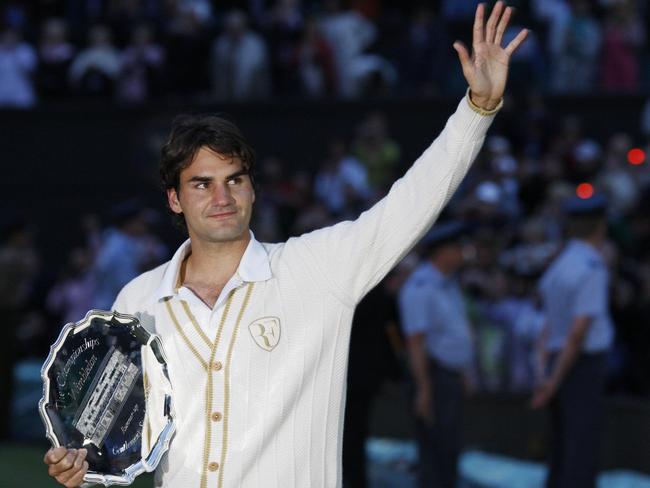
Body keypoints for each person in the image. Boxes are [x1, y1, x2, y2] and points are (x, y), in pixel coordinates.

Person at [44, 3, 528, 487]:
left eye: (235, 180)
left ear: (252, 187)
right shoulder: (138, 300)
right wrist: (81, 470)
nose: (222, 197)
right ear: (174, 199)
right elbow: (120, 439)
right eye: (201, 184)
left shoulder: (315, 268)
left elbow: (409, 204)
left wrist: (476, 110)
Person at [532, 194, 614, 488]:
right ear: (600, 227)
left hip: (557, 361)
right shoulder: (591, 266)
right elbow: (578, 333)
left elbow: (546, 326)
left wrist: (544, 372)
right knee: (580, 449)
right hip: (578, 366)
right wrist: (554, 380)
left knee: (563, 447)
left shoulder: (560, 264)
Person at [398, 221, 474, 488]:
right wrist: (424, 389)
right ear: (442, 252)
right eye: (456, 247)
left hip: (448, 374)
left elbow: (455, 333)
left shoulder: (447, 284)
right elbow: (416, 343)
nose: (462, 253)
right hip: (433, 375)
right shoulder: (421, 287)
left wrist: (463, 371)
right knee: (435, 449)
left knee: (449, 447)